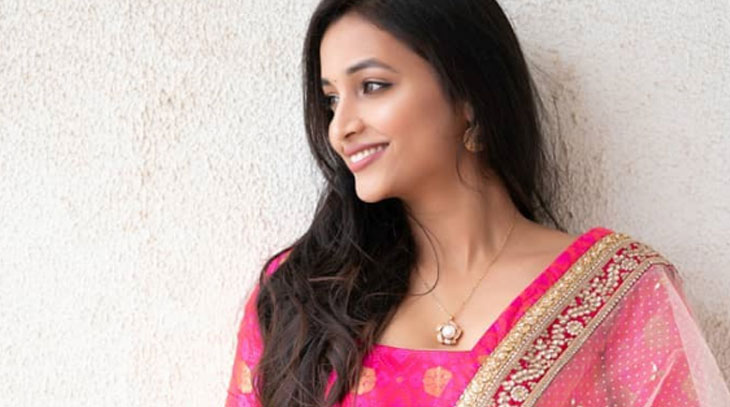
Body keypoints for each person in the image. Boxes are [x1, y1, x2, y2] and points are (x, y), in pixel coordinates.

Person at [226, 0, 730, 406]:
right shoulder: (300, 297)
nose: (341, 127)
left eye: (373, 87)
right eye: (331, 100)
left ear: (468, 95)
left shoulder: (616, 293)